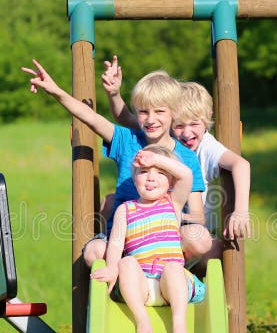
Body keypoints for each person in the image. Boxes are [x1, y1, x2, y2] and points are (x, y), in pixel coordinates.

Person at [22, 59, 211, 266]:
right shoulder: (126, 140)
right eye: (143, 111)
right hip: (123, 238)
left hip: (165, 238)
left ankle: (167, 267)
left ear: (174, 112)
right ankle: (122, 271)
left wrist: (163, 214)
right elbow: (90, 117)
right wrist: (56, 91)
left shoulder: (187, 157)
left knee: (200, 238)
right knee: (93, 252)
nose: (150, 119)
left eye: (159, 111)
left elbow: (197, 216)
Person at [101, 56, 251, 261]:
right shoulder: (164, 136)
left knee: (214, 248)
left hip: (187, 224)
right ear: (171, 120)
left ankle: (179, 268)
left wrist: (241, 211)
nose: (186, 133)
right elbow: (126, 119)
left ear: (207, 119)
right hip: (152, 220)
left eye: (194, 124)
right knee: (110, 202)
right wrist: (115, 94)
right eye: (179, 126)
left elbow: (241, 164)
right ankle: (113, 246)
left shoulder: (207, 146)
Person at [91, 145, 204, 333]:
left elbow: (186, 175)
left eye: (160, 173)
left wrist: (155, 160)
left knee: (173, 268)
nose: (151, 178)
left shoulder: (172, 203)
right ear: (135, 179)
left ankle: (179, 321)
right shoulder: (125, 210)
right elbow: (116, 243)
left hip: (171, 286)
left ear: (170, 181)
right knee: (126, 262)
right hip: (142, 287)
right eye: (144, 172)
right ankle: (141, 317)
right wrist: (110, 268)